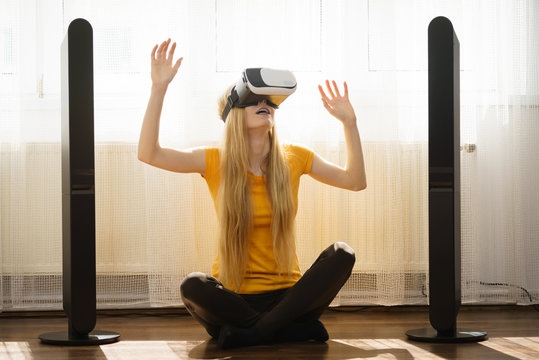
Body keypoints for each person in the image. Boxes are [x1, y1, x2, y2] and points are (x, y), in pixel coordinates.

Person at [138, 39, 367, 349]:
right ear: (234, 113)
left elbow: (355, 181)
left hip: (289, 296)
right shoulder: (214, 160)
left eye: (271, 102)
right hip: (234, 299)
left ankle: (255, 334)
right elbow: (149, 153)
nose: (266, 105)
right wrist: (158, 88)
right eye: (255, 100)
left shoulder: (296, 157)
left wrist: (349, 123)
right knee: (193, 285)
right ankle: (288, 330)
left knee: (342, 253)